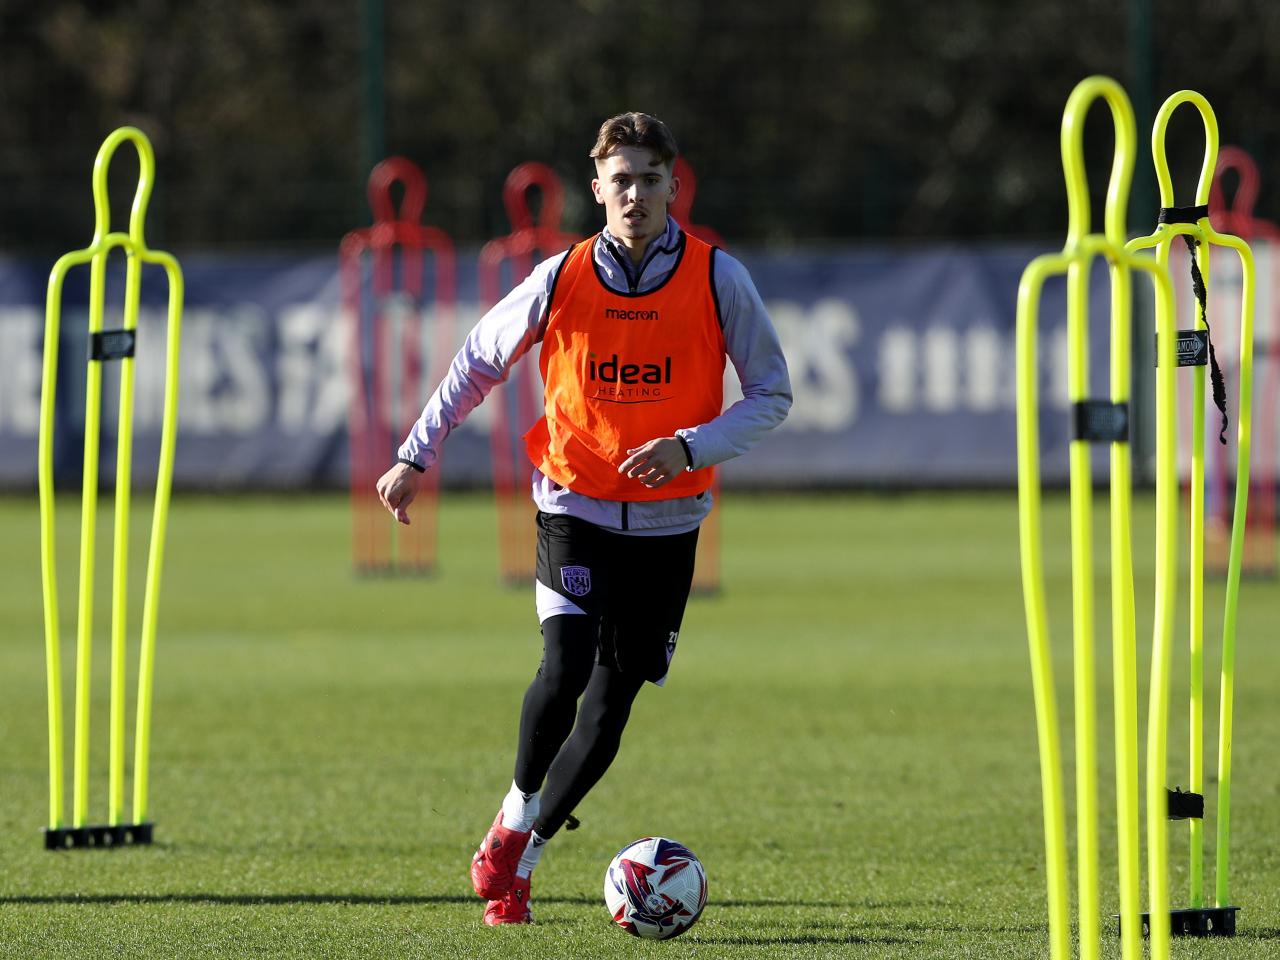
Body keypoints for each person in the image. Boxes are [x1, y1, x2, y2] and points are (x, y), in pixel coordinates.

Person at [375, 111, 791, 925]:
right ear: (596, 189)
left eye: (650, 178)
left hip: (671, 522)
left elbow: (773, 394)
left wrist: (692, 445)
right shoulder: (561, 277)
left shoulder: (716, 277)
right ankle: (519, 806)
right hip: (574, 503)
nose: (635, 193)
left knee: (609, 705)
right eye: (620, 180)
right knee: (563, 666)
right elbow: (477, 360)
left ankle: (521, 854)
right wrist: (414, 455)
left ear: (675, 184)